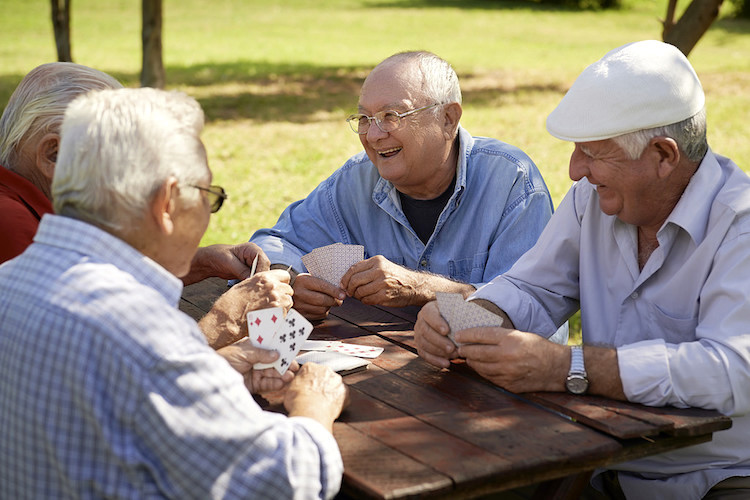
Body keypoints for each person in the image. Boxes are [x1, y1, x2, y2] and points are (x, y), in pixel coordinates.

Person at [414, 40, 750, 499]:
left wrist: (568, 367)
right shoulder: (593, 199)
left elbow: (732, 370)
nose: (575, 171)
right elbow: (534, 287)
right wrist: (472, 315)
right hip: (601, 458)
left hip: (721, 474)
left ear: (663, 156)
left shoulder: (740, 226)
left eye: (594, 153)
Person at [0, 87, 348, 499]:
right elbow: (288, 480)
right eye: (207, 196)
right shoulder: (142, 330)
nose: (206, 215)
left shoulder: (10, 279)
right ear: (166, 203)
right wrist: (315, 402)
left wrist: (211, 371)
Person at [249, 51, 561, 327]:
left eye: (391, 116)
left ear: (448, 119)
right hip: (387, 380)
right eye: (364, 118)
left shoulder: (510, 181)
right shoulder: (356, 180)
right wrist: (287, 280)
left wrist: (421, 289)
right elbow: (273, 243)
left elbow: (526, 316)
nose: (372, 135)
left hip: (490, 383)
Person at [0, 61, 271, 283]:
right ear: (53, 155)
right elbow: (97, 333)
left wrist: (198, 263)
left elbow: (103, 279)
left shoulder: (38, 207)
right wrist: (226, 321)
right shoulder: (13, 224)